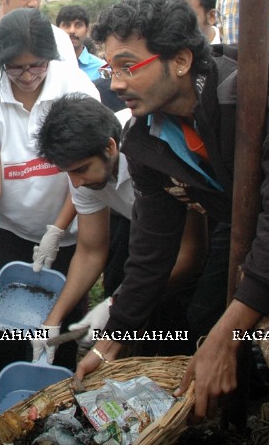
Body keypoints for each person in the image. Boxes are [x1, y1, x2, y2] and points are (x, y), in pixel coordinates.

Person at [75, 0, 269, 420]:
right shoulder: (147, 139)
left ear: (182, 61)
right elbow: (151, 248)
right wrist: (113, 337)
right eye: (111, 68)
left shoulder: (266, 89)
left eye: (129, 66)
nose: (115, 83)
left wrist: (226, 335)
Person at [0, 9, 99, 371]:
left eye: (36, 66)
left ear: (51, 58)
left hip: (68, 225)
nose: (26, 76)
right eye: (15, 67)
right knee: (12, 320)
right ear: (0, 62)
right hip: (12, 226)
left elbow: (86, 172)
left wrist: (57, 229)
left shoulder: (75, 89)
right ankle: (16, 385)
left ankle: (62, 390)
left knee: (65, 317)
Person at [32, 93, 206, 364]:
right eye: (69, 173)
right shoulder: (84, 173)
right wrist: (53, 320)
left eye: (81, 170)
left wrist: (118, 305)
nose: (76, 183)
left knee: (197, 314)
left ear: (111, 147)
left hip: (208, 221)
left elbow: (189, 252)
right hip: (145, 226)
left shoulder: (153, 152)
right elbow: (90, 250)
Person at [56, 4, 106, 80]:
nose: (72, 31)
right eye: (66, 25)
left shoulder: (101, 68)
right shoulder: (46, 66)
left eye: (78, 25)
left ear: (87, 29)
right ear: (57, 30)